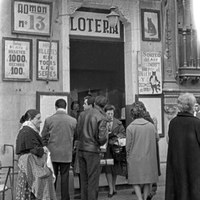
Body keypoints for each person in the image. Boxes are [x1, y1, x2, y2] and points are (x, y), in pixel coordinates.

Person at [15, 109, 57, 200]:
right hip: (29, 167)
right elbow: (32, 149)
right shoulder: (27, 131)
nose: (40, 121)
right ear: (31, 119)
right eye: (38, 118)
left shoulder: (28, 130)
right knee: (30, 192)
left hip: (29, 166)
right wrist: (43, 149)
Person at [165, 93, 200, 200]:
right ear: (192, 106)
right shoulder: (196, 123)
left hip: (176, 162)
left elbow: (169, 140)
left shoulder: (173, 123)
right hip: (194, 165)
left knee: (178, 190)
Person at [41, 99, 77, 200]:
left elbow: (43, 136)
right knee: (65, 177)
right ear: (65, 107)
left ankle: (52, 197)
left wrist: (45, 148)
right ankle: (65, 198)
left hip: (52, 153)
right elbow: (76, 136)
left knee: (53, 177)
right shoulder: (73, 121)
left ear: (56, 107)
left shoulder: (49, 120)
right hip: (66, 153)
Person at [77, 95, 108, 200]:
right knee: (93, 180)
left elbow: (77, 132)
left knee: (84, 179)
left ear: (94, 103)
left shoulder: (82, 114)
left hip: (81, 148)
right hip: (93, 150)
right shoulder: (101, 117)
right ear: (105, 105)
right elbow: (102, 138)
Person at [126, 101, 158, 200]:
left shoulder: (130, 127)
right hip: (149, 158)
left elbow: (128, 146)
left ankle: (140, 198)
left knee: (135, 181)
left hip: (135, 158)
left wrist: (127, 156)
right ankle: (145, 197)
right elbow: (156, 139)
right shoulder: (151, 126)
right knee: (148, 180)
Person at [102, 104, 126, 198]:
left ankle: (114, 187)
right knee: (108, 168)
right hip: (106, 148)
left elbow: (123, 133)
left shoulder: (118, 123)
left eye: (112, 113)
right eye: (108, 113)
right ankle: (111, 188)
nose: (110, 115)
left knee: (115, 169)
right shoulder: (102, 122)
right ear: (105, 113)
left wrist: (116, 137)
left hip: (115, 148)